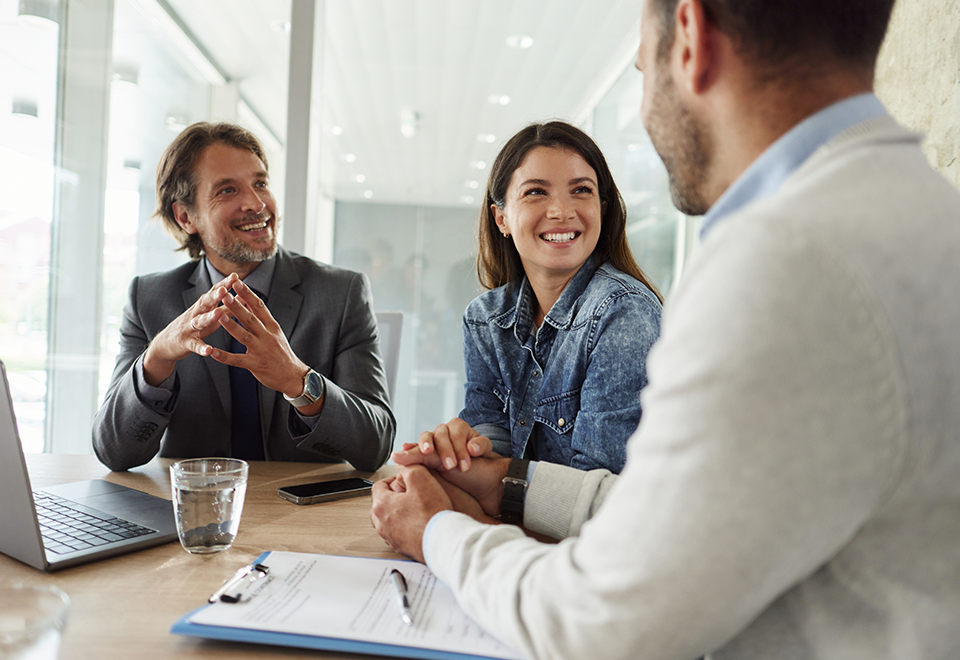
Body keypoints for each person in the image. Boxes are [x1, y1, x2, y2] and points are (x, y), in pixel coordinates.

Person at [372, 0, 960, 657]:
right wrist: (506, 481)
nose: (646, 100)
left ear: (690, 36)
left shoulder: (785, 261)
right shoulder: (921, 216)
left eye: (639, 69)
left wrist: (438, 530)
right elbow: (685, 524)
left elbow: (602, 623)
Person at [93, 122, 394, 473]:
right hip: (194, 512)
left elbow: (376, 445)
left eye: (260, 183)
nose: (255, 203)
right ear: (186, 216)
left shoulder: (340, 293)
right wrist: (157, 358)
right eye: (227, 190)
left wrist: (299, 382)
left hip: (302, 516)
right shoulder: (149, 298)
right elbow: (114, 453)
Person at [419, 121, 663, 474]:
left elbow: (598, 487)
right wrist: (461, 455)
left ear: (603, 209)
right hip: (522, 524)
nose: (561, 211)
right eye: (536, 192)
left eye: (581, 190)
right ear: (501, 217)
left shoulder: (623, 312)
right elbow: (493, 436)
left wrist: (489, 483)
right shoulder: (485, 318)